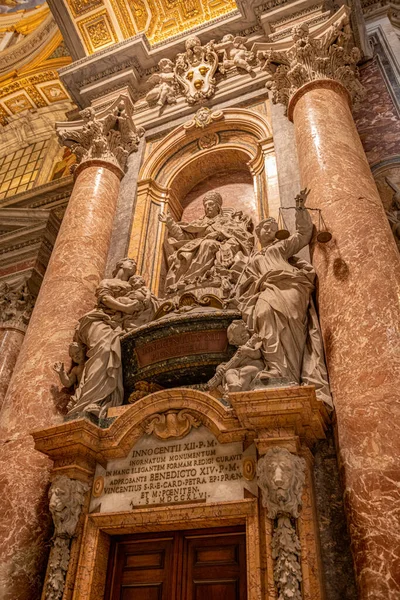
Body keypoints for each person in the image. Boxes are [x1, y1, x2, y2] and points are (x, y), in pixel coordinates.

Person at [237, 191, 332, 407]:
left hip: (290, 287)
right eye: (265, 227)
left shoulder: (281, 247)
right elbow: (244, 287)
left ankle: (291, 374)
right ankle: (277, 370)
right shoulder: (254, 259)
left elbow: (304, 234)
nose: (269, 229)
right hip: (266, 291)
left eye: (272, 227)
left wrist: (299, 208)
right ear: (258, 234)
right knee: (263, 315)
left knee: (290, 328)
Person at [67, 258, 140, 417]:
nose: (134, 265)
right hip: (96, 320)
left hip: (114, 326)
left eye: (135, 264)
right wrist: (125, 308)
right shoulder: (108, 281)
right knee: (104, 349)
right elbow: (105, 298)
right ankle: (88, 400)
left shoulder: (133, 285)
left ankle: (101, 401)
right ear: (120, 265)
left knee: (112, 352)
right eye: (130, 262)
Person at [159, 191, 254, 293]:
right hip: (196, 246)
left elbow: (239, 235)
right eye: (205, 205)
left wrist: (219, 233)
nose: (207, 207)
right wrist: (170, 223)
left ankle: (190, 280)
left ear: (217, 206)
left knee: (207, 244)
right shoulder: (199, 223)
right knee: (182, 254)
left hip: (220, 246)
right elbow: (183, 237)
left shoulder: (226, 220)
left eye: (211, 204)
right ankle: (185, 281)